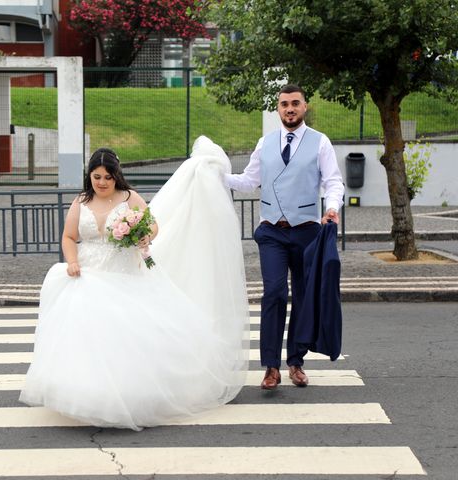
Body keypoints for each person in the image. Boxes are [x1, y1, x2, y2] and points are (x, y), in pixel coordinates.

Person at [19, 144, 249, 430]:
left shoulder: (129, 198)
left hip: (123, 272)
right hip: (88, 274)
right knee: (89, 336)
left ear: (117, 176)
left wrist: (143, 237)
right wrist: (72, 261)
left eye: (107, 177)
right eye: (97, 177)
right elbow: (68, 236)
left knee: (124, 335)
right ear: (89, 176)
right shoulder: (80, 202)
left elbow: (153, 226)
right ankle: (90, 393)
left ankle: (128, 394)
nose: (102, 183)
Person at [224, 84, 345, 390]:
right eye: (283, 104)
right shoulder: (265, 143)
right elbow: (249, 182)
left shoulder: (320, 143)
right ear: (277, 109)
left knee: (303, 298)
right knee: (274, 293)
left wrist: (332, 208)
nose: (289, 109)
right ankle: (270, 367)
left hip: (307, 232)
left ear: (305, 107)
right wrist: (211, 173)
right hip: (272, 232)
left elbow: (333, 182)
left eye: (295, 103)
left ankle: (296, 362)